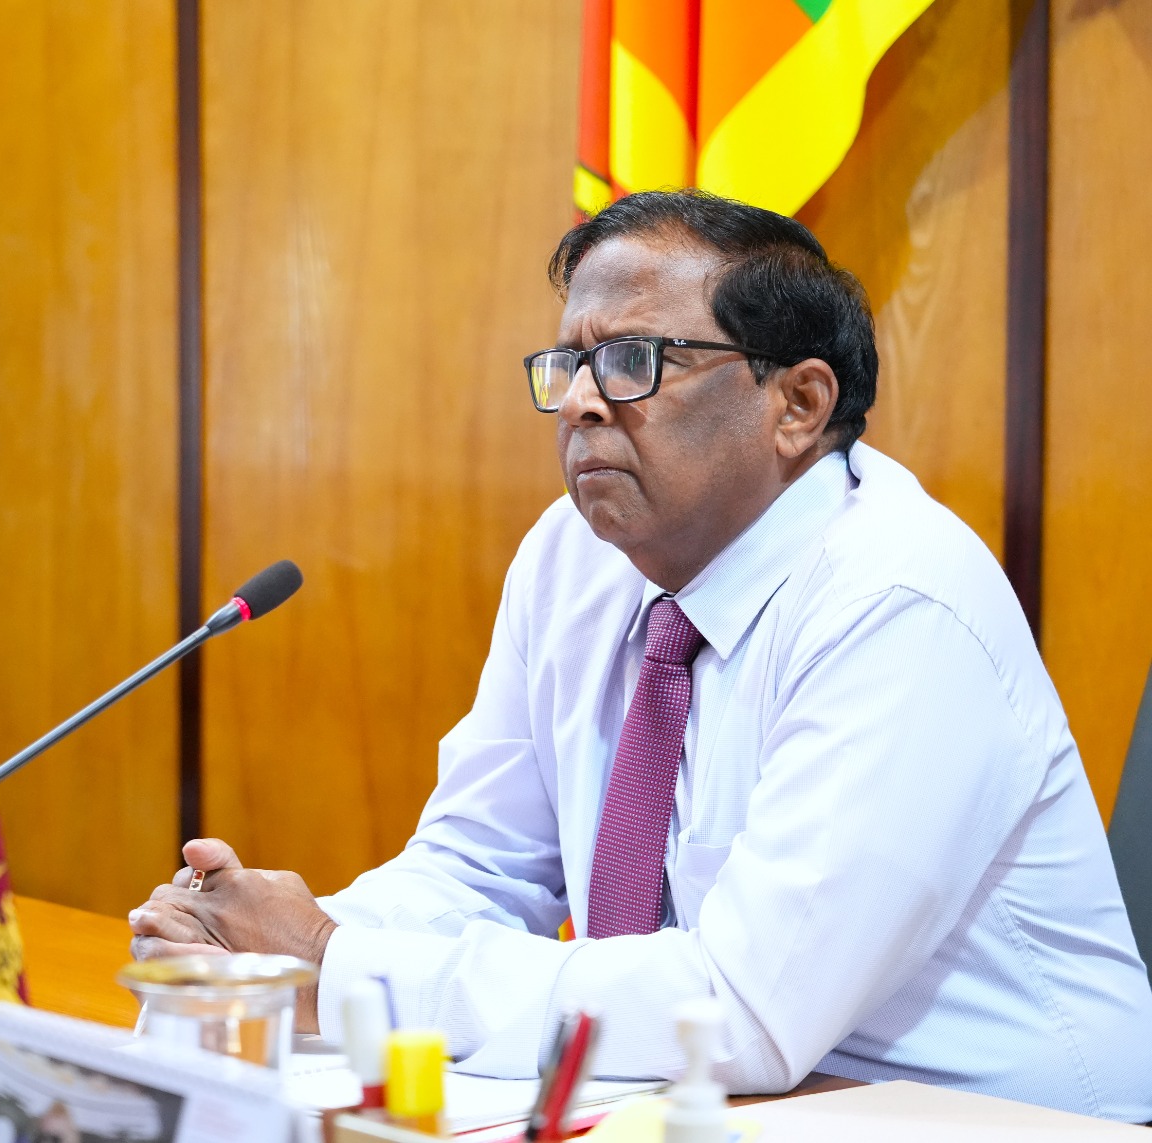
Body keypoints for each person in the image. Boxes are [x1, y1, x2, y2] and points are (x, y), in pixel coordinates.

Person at [126, 190, 1152, 1120]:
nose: (580, 400)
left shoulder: (898, 603)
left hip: (993, 1117)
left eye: (633, 361)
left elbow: (742, 1009)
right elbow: (479, 864)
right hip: (729, 1106)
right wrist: (261, 949)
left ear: (796, 404)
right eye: (569, 364)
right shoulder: (572, 558)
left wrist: (334, 961)